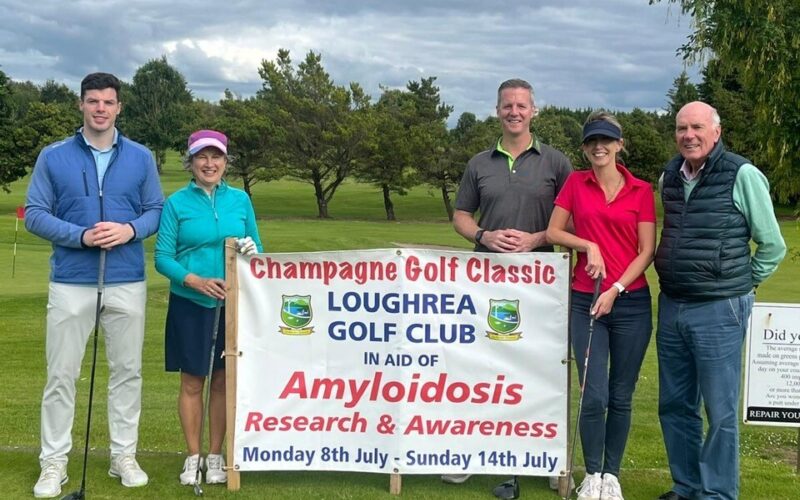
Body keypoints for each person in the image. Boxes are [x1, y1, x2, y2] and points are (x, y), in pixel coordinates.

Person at [25, 72, 164, 498]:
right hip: (71, 279)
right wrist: (80, 236)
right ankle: (54, 463)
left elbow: (156, 210)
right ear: (81, 105)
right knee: (61, 375)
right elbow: (34, 213)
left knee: (127, 372)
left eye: (108, 102)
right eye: (92, 101)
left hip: (126, 279)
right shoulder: (54, 156)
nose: (100, 108)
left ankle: (123, 455)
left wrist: (129, 230)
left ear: (119, 107)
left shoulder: (141, 157)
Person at [448, 78, 573, 493]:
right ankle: (473, 453)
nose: (514, 111)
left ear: (534, 110)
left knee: (537, 372)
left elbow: (570, 219)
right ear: (497, 110)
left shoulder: (556, 162)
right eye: (507, 105)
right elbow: (461, 215)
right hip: (486, 284)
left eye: (522, 105)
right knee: (482, 371)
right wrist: (484, 235)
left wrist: (538, 238)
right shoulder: (479, 162)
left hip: (541, 287)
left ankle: (539, 461)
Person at [655, 102, 786, 500]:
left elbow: (772, 245)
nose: (688, 135)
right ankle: (686, 485)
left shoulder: (742, 173)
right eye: (681, 128)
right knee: (675, 406)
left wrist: (741, 285)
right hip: (673, 304)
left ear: (716, 131)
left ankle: (716, 494)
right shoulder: (669, 176)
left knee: (720, 411)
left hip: (719, 309)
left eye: (697, 127)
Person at [546, 112, 656, 500]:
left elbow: (647, 251)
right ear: (585, 147)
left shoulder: (640, 190)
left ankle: (612, 475)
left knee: (620, 395)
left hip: (631, 303)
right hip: (585, 301)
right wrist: (586, 244)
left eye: (606, 140)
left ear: (619, 144)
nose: (599, 147)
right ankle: (591, 474)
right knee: (593, 394)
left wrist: (617, 289)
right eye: (592, 141)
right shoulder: (576, 183)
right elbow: (553, 230)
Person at [154, 129, 263, 487]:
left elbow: (258, 250)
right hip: (191, 302)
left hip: (231, 305)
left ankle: (215, 455)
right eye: (202, 157)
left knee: (221, 382)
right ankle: (193, 456)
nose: (209, 163)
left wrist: (250, 251)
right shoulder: (177, 204)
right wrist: (195, 280)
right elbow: (162, 258)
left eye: (216, 157)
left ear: (225, 162)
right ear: (191, 161)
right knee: (191, 381)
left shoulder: (240, 199)